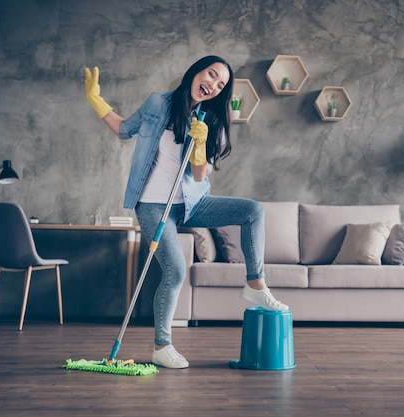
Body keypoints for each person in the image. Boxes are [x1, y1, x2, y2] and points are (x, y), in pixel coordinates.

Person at [83, 56, 288, 369]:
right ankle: (161, 346)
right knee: (176, 271)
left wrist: (201, 142)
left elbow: (200, 174)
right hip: (153, 206)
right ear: (196, 71)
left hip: (192, 203)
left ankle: (255, 286)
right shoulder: (157, 104)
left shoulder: (212, 119)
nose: (213, 85)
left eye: (221, 85)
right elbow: (125, 130)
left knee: (252, 211)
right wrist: (96, 100)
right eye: (211, 75)